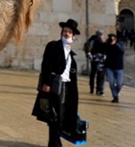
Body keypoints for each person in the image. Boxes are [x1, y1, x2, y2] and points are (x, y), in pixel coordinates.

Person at [35, 18, 81, 147]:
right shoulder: (53, 46)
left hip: (66, 88)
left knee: (62, 117)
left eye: (69, 32)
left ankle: (53, 142)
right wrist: (46, 83)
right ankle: (55, 144)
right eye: (65, 31)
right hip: (54, 86)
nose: (66, 33)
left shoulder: (71, 53)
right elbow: (46, 65)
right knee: (54, 116)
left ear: (73, 35)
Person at [84, 29, 106, 95]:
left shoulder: (91, 40)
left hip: (93, 59)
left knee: (93, 74)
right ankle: (99, 89)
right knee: (100, 75)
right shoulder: (99, 41)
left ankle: (92, 89)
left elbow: (87, 47)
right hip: (99, 60)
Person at [104, 33, 125, 103]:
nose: (112, 40)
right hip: (110, 67)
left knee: (120, 83)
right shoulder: (107, 46)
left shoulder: (120, 45)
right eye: (111, 38)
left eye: (113, 38)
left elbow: (122, 51)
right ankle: (115, 96)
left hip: (119, 67)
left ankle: (116, 92)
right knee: (111, 83)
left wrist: (115, 44)